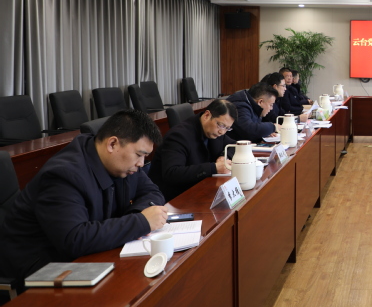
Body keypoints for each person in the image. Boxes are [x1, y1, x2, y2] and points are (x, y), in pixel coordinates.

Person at [0, 110, 167, 284]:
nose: (141, 163)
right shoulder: (63, 175)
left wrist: (137, 216)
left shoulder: (124, 165)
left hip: (86, 254)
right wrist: (140, 222)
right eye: (139, 155)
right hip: (41, 267)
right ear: (112, 144)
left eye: (144, 157)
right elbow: (74, 239)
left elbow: (152, 192)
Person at [149, 99, 238, 202]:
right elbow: (172, 173)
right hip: (174, 198)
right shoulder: (178, 136)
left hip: (200, 189)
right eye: (221, 125)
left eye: (227, 128)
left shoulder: (215, 132)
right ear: (207, 115)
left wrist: (223, 156)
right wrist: (214, 168)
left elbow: (234, 145)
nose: (222, 132)